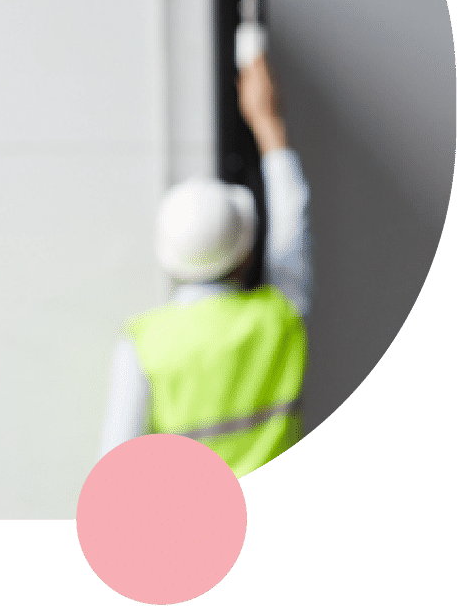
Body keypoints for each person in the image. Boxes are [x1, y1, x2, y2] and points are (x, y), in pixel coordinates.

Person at [97, 52, 312, 476]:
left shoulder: (144, 346)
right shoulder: (280, 317)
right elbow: (293, 219)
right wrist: (267, 122)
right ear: (246, 252)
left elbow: (113, 470)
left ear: (169, 259)